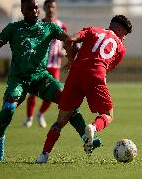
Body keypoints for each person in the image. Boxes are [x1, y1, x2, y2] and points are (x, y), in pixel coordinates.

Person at [0, 0, 101, 162]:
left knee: (68, 99)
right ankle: (0, 138)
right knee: (8, 108)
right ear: (22, 10)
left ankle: (86, 138)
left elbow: (68, 39)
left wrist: (73, 53)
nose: (35, 10)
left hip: (40, 77)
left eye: (36, 7)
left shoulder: (48, 27)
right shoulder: (13, 28)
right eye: (30, 8)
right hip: (19, 79)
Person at [36, 15, 132, 164]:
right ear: (119, 30)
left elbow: (68, 40)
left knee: (60, 121)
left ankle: (44, 155)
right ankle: (93, 128)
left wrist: (71, 59)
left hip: (75, 74)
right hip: (96, 76)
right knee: (108, 114)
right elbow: (107, 68)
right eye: (124, 35)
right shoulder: (120, 47)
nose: (124, 38)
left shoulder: (92, 30)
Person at [23, 0, 67, 128]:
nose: (50, 9)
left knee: (55, 92)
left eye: (53, 7)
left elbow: (66, 45)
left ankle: (40, 114)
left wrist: (64, 53)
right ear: (44, 8)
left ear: (55, 8)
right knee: (33, 92)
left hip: (55, 65)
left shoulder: (61, 25)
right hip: (39, 65)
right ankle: (29, 118)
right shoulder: (38, 24)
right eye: (48, 7)